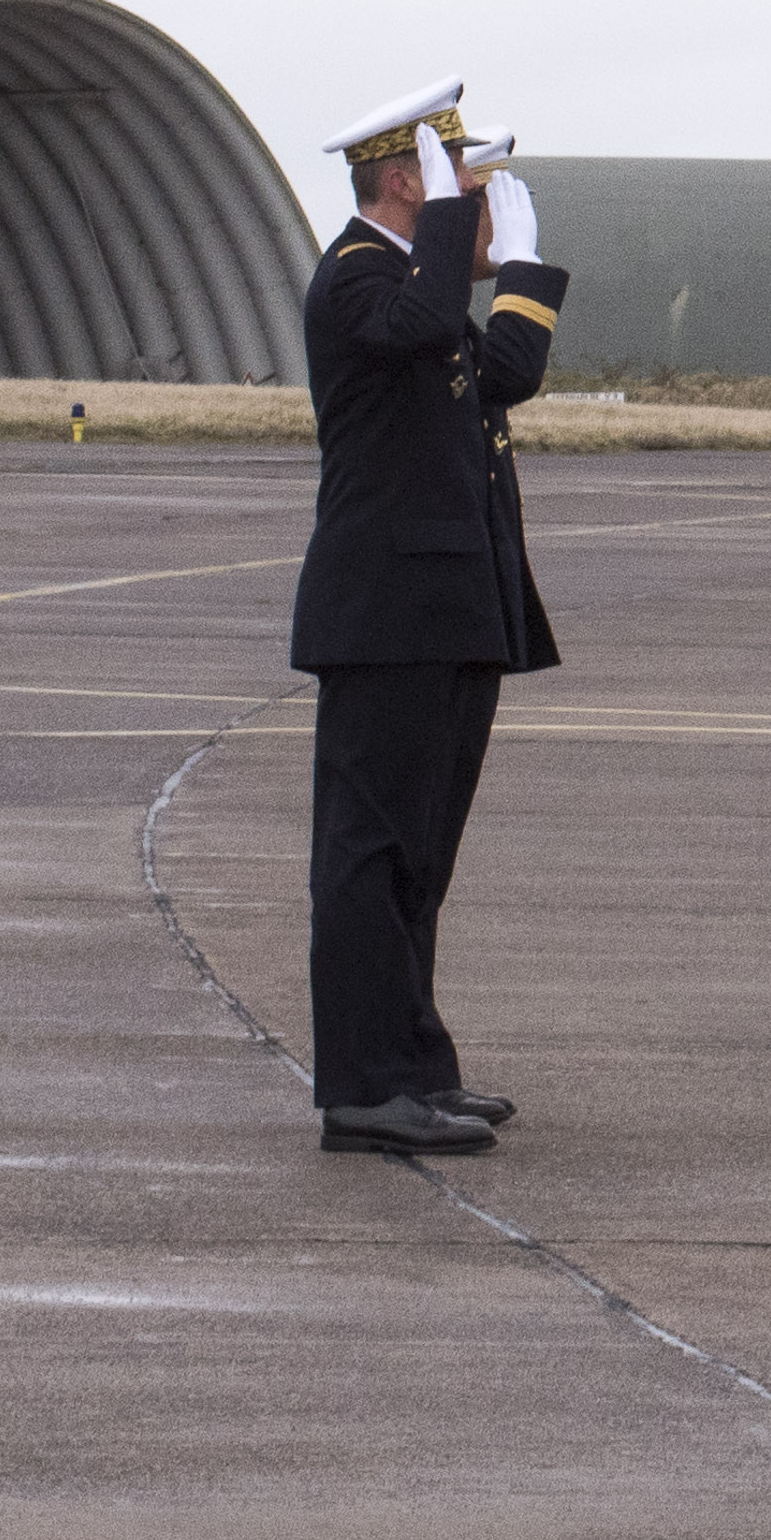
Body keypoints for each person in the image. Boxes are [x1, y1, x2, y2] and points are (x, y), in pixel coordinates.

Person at [290, 93, 565, 1157]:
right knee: (370, 855)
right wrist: (458, 230)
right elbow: (414, 326)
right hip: (386, 614)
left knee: (417, 856)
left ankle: (411, 1067)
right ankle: (363, 1087)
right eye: (465, 177)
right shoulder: (360, 277)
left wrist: (525, 270)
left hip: (440, 610)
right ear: (409, 181)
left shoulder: (416, 284)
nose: (483, 199)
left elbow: (506, 375)